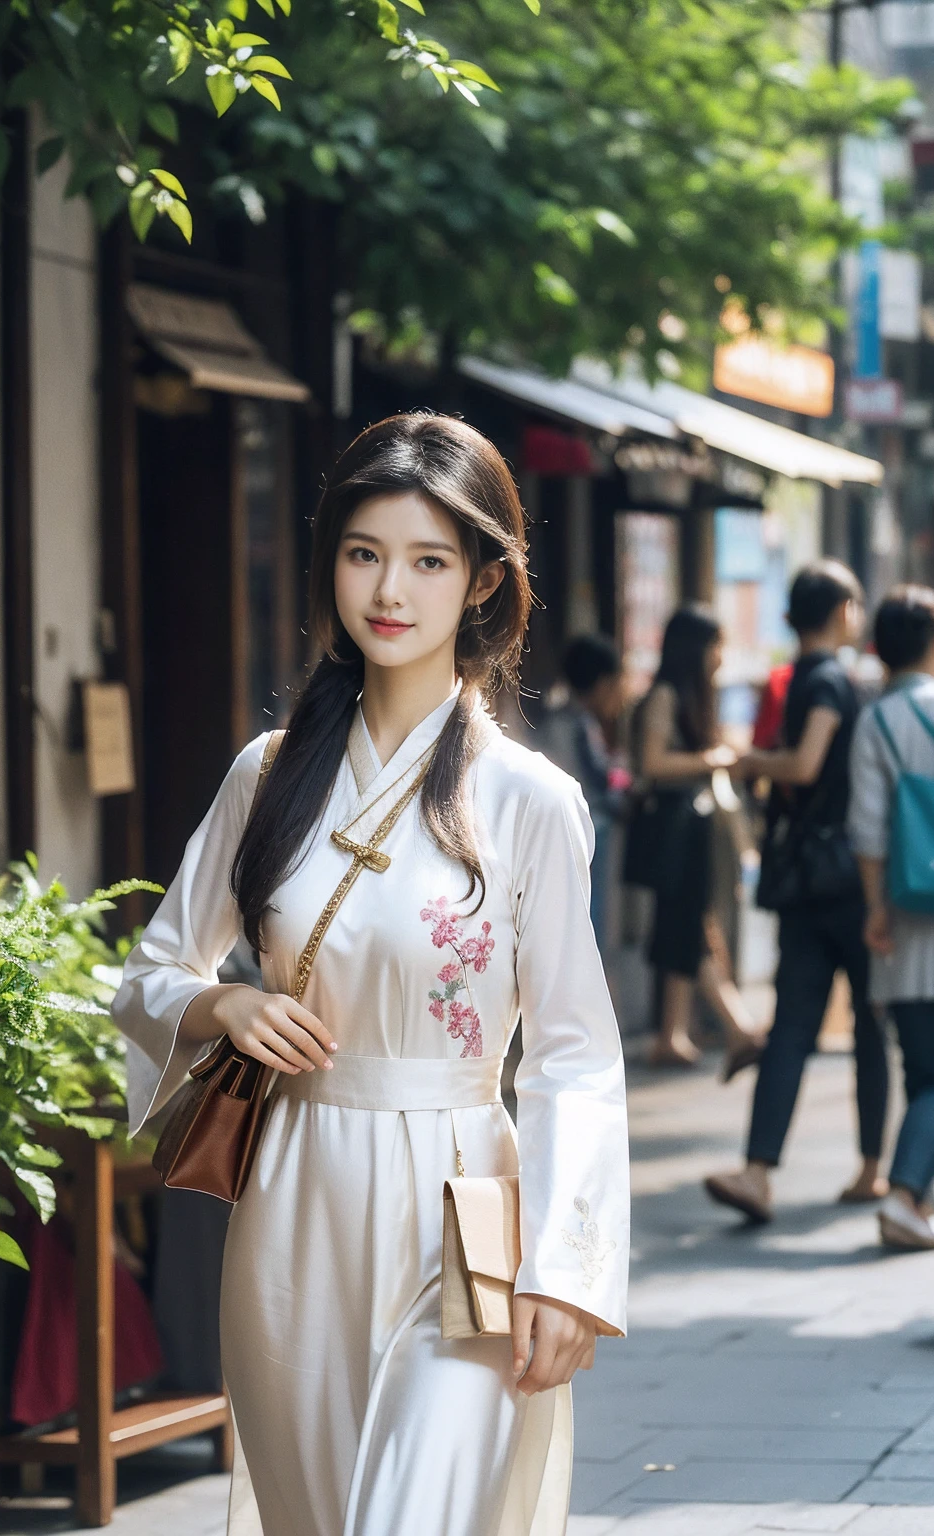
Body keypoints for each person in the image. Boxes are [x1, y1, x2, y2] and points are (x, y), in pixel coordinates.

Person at [113, 414, 629, 1536]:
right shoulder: (268, 775)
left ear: (484, 580)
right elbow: (149, 976)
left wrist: (568, 1268)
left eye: (428, 560)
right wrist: (225, 1002)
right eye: (363, 552)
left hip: (470, 1208)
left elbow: (577, 1054)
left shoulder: (529, 801)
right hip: (294, 1201)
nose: (389, 589)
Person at [706, 561, 888, 1224]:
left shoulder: (802, 678)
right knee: (870, 1023)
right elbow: (810, 762)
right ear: (842, 610)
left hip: (807, 885)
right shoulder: (834, 680)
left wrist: (751, 762)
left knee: (791, 1027)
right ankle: (873, 1169)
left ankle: (758, 1172)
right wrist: (761, 763)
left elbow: (799, 769)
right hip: (849, 881)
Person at [849, 585, 934, 1251]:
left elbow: (867, 832)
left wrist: (876, 910)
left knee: (926, 1067)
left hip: (907, 917)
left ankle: (917, 1193)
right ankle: (908, 1193)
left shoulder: (876, 720)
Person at [628, 605, 763, 1073]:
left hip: (685, 831)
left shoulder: (685, 694)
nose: (721, 657)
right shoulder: (667, 694)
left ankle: (674, 1034)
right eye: (716, 646)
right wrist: (715, 758)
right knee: (687, 927)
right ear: (696, 649)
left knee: (682, 927)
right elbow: (652, 763)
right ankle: (735, 1026)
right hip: (676, 832)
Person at [539, 633, 626, 943]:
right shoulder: (579, 724)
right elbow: (600, 779)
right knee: (590, 918)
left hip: (562, 830)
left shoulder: (555, 718)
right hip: (588, 828)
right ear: (603, 683)